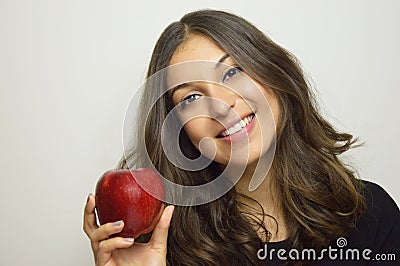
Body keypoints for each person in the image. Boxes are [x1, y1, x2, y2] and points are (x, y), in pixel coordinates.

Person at [83, 9, 399, 265]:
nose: (221, 105)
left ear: (274, 75)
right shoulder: (166, 250)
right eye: (191, 97)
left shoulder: (370, 214)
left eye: (233, 72)